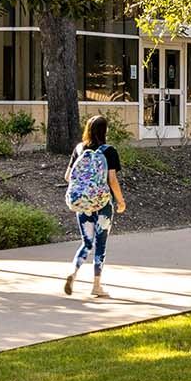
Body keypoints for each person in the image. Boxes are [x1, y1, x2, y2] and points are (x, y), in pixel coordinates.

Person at [63, 115, 127, 298]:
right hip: (103, 204)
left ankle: (73, 272)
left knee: (87, 243)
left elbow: (68, 177)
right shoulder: (109, 151)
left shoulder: (79, 149)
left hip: (83, 204)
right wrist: (120, 201)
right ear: (104, 131)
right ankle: (96, 286)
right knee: (101, 246)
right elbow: (112, 180)